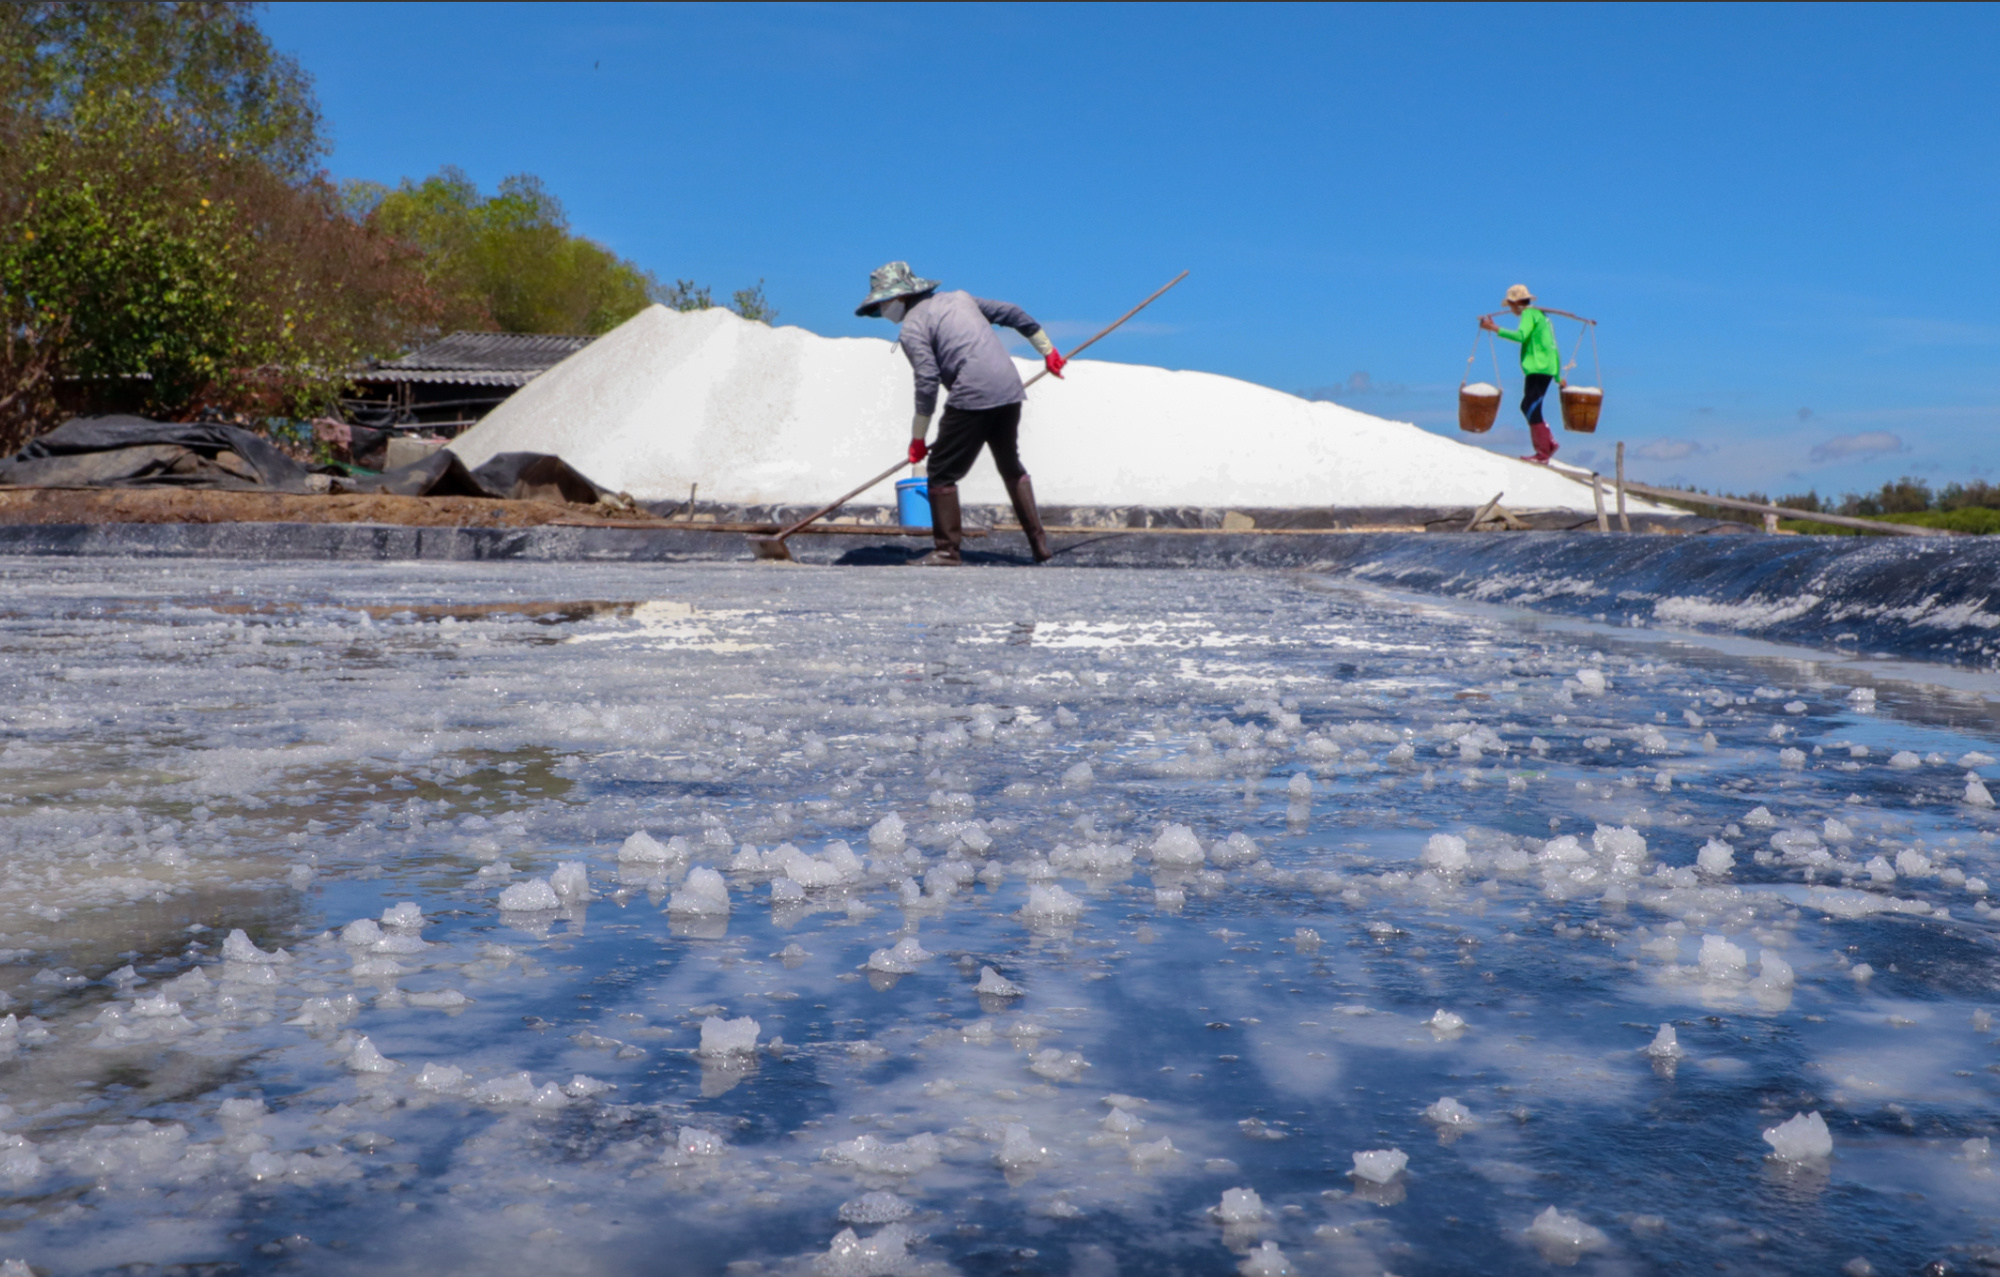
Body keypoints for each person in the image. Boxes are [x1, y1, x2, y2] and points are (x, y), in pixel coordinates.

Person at [855, 261, 1065, 566]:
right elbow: (1014, 313)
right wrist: (1048, 351)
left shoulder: (912, 328)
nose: (883, 311)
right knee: (1010, 464)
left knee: (941, 471)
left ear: (900, 297)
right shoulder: (961, 299)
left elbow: (927, 381)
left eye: (884, 303)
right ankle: (1039, 546)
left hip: (972, 392)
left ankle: (946, 551)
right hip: (1009, 388)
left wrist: (918, 439)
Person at [1479, 284, 1563, 464]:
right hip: (1543, 367)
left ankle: (1543, 452)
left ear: (1515, 303)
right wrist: (1557, 375)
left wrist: (1494, 329)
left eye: (1510, 305)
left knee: (1530, 406)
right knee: (1528, 406)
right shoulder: (1540, 316)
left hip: (1539, 368)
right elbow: (1552, 346)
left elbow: (1521, 336)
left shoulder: (1529, 314)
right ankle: (1548, 444)